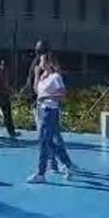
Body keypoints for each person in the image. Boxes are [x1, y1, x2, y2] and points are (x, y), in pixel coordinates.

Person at [28, 54, 75, 183]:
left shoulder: (56, 77)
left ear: (49, 63)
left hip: (50, 110)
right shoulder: (44, 77)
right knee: (48, 141)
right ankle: (66, 164)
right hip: (41, 109)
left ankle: (41, 173)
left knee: (44, 141)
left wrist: (48, 97)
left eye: (42, 61)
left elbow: (62, 96)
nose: (40, 64)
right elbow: (37, 91)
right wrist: (37, 75)